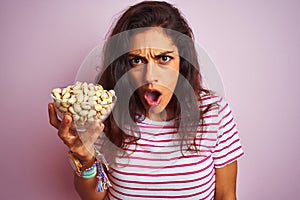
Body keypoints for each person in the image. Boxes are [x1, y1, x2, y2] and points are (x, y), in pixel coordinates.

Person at [48, 1, 244, 199]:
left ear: (183, 61)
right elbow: (93, 197)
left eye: (164, 59)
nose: (150, 76)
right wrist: (86, 159)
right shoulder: (105, 115)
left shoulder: (214, 114)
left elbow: (226, 195)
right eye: (137, 60)